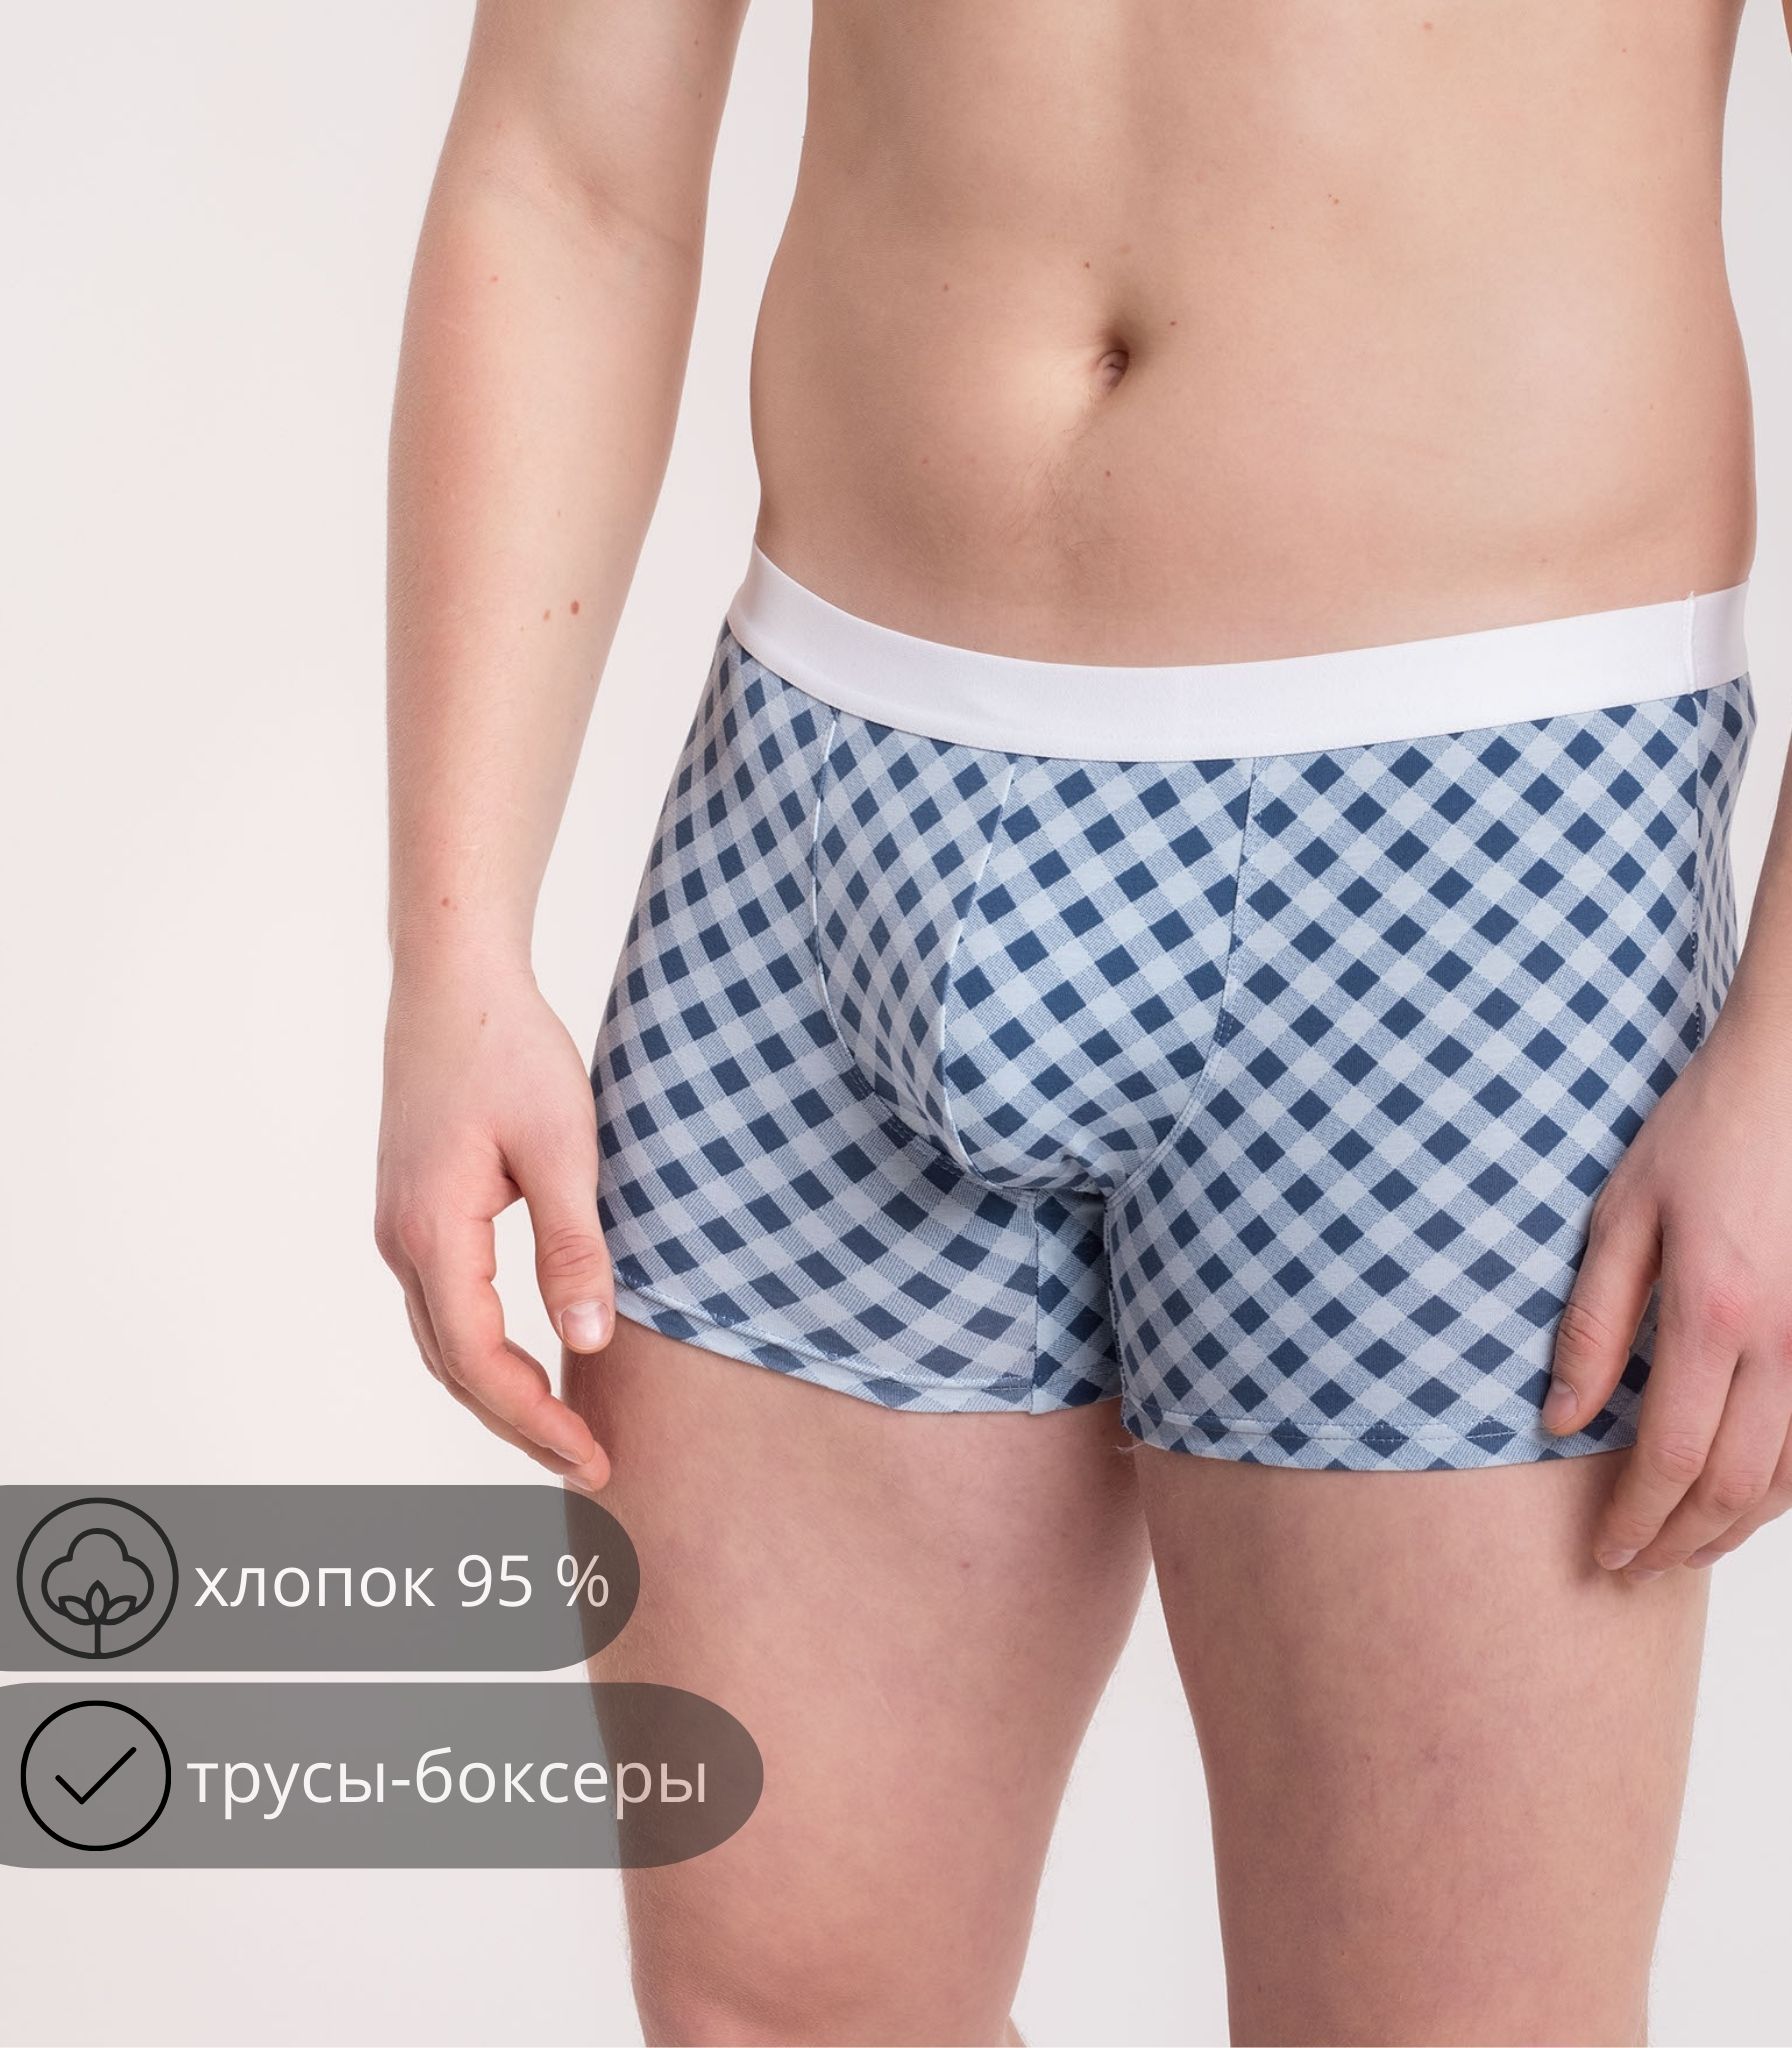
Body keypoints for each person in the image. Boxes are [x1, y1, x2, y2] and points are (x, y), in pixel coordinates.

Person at [376, 4, 1792, 2041]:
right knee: (781, 2012)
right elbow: (566, 170)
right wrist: (455, 950)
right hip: (821, 812)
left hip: (1463, 855)